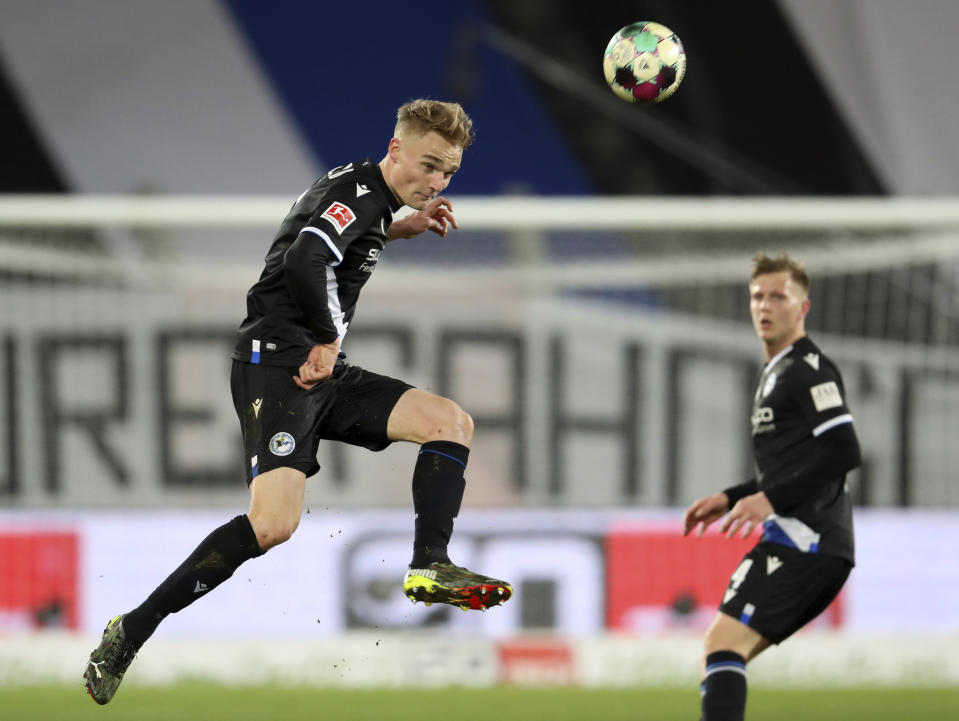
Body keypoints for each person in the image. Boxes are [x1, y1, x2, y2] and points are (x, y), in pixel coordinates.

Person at [84, 99, 512, 705]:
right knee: (272, 525)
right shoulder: (360, 194)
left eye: (449, 173)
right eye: (429, 165)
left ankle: (430, 566)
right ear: (397, 150)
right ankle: (132, 630)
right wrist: (329, 338)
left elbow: (336, 236)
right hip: (278, 365)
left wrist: (396, 228)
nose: (438, 182)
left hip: (314, 365)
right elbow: (306, 255)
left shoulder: (368, 194)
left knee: (450, 422)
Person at [682, 252, 860, 721]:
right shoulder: (776, 371)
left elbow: (843, 452)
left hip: (809, 540)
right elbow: (792, 467)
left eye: (778, 297)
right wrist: (733, 496)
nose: (765, 306)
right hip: (797, 538)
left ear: (802, 308)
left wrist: (770, 499)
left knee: (722, 645)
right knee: (722, 651)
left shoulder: (808, 368)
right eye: (758, 296)